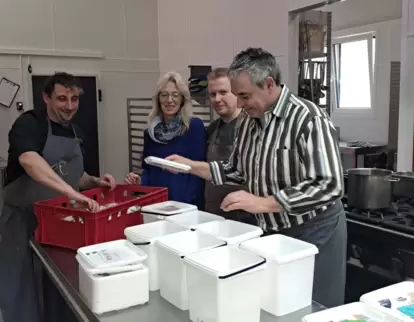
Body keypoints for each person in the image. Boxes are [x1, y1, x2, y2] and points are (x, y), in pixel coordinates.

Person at [167, 48, 347, 308]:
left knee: (313, 307)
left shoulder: (308, 118)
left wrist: (263, 203)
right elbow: (236, 170)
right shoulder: (249, 122)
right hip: (273, 232)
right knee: (277, 305)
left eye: (244, 96)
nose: (239, 104)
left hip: (315, 232)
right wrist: (190, 166)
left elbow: (330, 184)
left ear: (269, 84)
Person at [0, 72, 117, 322]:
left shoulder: (76, 131)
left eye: (74, 99)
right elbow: (30, 160)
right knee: (21, 287)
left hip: (60, 224)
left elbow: (72, 174)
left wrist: (94, 181)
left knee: (61, 287)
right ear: (46, 98)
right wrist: (72, 193)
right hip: (24, 222)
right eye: (62, 98)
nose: (69, 106)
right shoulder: (30, 124)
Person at [124, 71, 206, 209]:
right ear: (158, 99)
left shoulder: (193, 127)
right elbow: (148, 169)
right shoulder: (150, 132)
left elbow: (198, 171)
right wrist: (140, 181)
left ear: (182, 99)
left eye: (175, 95)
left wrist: (187, 206)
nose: (169, 100)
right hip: (157, 202)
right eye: (164, 95)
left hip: (185, 205)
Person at [205, 67, 254, 224]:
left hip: (246, 219)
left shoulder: (253, 127)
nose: (217, 99)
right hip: (213, 216)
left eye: (223, 92)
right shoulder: (211, 130)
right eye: (213, 94)